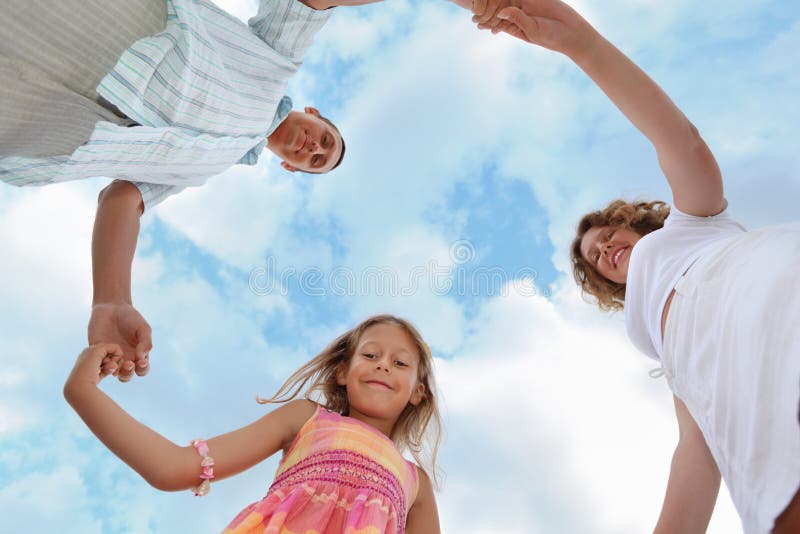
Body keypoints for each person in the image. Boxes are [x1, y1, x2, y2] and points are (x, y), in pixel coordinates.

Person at [1, 0, 472, 382]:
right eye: (323, 140)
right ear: (313, 112)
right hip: (94, 23)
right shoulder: (277, 59)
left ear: (287, 167)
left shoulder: (205, 168)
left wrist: (110, 300)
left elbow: (121, 199)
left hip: (45, 117)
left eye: (313, 161)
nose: (313, 149)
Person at [473, 0, 800, 532]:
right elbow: (696, 451)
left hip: (777, 294)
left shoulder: (694, 226)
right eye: (596, 260)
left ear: (634, 225)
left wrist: (581, 44)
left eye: (606, 236)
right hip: (748, 409)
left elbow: (683, 143)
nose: (603, 251)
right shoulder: (656, 339)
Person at [64, 314, 443, 533]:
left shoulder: (416, 483)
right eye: (372, 354)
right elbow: (173, 468)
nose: (382, 365)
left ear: (417, 392)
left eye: (400, 363)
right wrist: (84, 392)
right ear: (343, 372)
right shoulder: (307, 419)